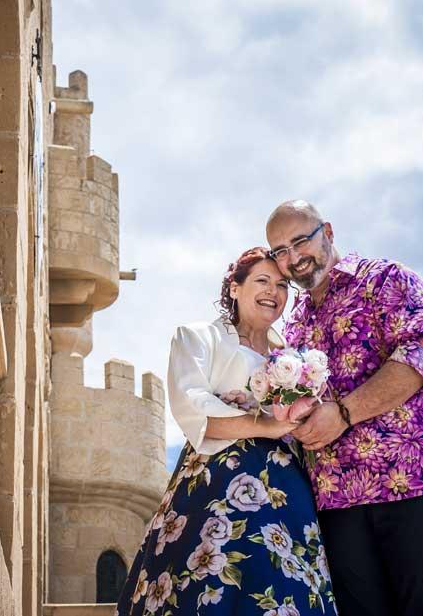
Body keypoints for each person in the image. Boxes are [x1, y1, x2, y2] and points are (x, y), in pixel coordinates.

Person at [265, 200, 423, 616]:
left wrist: (342, 414)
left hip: (419, 484)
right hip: (336, 504)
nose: (291, 259)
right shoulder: (293, 326)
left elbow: (418, 358)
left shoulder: (388, 281)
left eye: (299, 242)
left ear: (327, 231)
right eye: (280, 252)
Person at [115, 248, 338, 616]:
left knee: (284, 587)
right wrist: (265, 424)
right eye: (262, 281)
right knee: (208, 583)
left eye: (282, 285)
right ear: (235, 287)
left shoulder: (293, 356)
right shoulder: (197, 337)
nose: (274, 291)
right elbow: (191, 403)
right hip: (213, 482)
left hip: (284, 491)